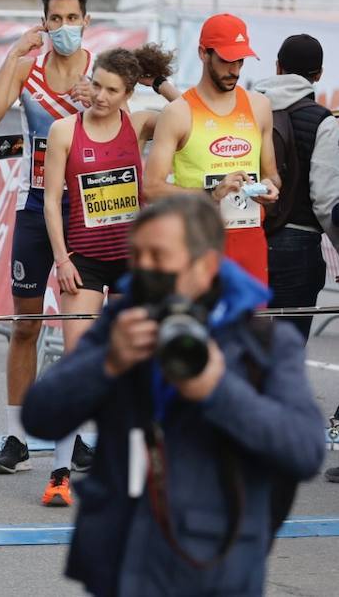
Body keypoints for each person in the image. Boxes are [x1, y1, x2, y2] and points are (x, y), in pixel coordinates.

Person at [22, 194, 325, 596]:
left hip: (218, 566)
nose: (146, 269)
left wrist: (217, 389)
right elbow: (40, 416)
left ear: (206, 265)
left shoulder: (263, 343)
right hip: (122, 561)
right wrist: (108, 363)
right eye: (139, 255)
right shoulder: (122, 322)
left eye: (160, 257)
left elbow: (304, 450)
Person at [39, 45, 173, 507]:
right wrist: (62, 259)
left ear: (127, 94)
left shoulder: (139, 123)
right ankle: (59, 473)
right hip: (85, 260)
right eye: (95, 84)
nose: (97, 95)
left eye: (110, 89)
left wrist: (159, 81)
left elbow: (185, 112)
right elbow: (51, 200)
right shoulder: (63, 131)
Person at [0, 0, 92, 475]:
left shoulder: (101, 72)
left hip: (85, 213)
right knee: (25, 325)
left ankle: (79, 437)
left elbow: (132, 127)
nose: (64, 28)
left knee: (78, 331)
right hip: (33, 208)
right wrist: (13, 55)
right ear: (43, 22)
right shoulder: (30, 70)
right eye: (56, 19)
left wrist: (108, 101)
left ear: (86, 20)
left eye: (73, 18)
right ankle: (17, 436)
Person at [144, 13, 280, 285]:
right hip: (197, 241)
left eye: (240, 60)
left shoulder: (259, 106)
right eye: (227, 60)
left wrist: (269, 187)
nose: (235, 70)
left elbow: (272, 175)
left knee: (249, 327)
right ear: (203, 53)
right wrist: (211, 194)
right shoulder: (178, 113)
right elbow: (151, 188)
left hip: (250, 239)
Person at [255, 34, 337, 341]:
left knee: (246, 343)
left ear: (277, 67)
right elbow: (325, 199)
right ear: (318, 75)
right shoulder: (321, 121)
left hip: (249, 236)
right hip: (299, 246)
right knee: (286, 349)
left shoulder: (248, 109)